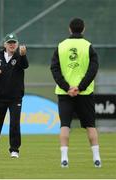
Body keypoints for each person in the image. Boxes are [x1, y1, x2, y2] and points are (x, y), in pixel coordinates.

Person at [50, 18, 101, 168]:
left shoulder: (61, 46)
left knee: (65, 125)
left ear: (69, 29)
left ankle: (64, 159)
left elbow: (54, 69)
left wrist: (67, 88)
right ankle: (97, 159)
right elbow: (93, 69)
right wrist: (81, 87)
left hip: (65, 94)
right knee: (90, 126)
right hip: (84, 94)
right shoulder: (88, 46)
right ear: (83, 29)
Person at [0, 33, 29, 158]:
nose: (12, 45)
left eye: (14, 43)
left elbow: (25, 65)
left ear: (17, 44)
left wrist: (23, 55)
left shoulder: (20, 56)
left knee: (14, 124)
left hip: (15, 98)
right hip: (0, 97)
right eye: (9, 43)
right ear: (5, 45)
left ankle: (14, 150)